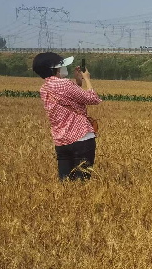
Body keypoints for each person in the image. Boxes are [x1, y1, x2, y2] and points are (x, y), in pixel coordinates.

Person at [33, 52, 101, 181]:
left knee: (65, 184)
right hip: (81, 138)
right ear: (54, 69)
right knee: (82, 182)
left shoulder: (44, 89)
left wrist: (78, 83)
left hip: (61, 141)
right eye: (61, 65)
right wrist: (87, 79)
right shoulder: (65, 84)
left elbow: (69, 100)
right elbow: (93, 99)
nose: (64, 67)